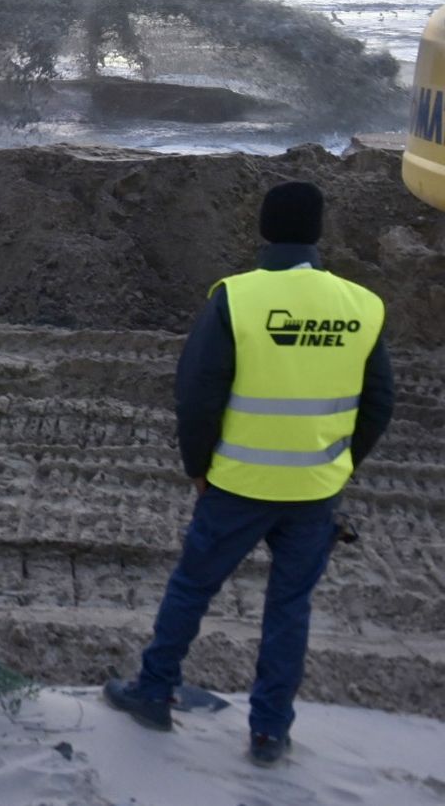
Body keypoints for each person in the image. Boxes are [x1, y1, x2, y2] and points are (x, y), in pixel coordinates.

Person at [103, 181, 395, 766]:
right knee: (290, 608)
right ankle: (268, 733)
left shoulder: (236, 298)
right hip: (315, 493)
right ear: (317, 232)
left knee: (192, 587)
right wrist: (336, 465)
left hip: (237, 485)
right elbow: (380, 402)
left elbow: (197, 396)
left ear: (263, 228)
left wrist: (198, 468)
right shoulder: (362, 305)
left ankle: (154, 692)